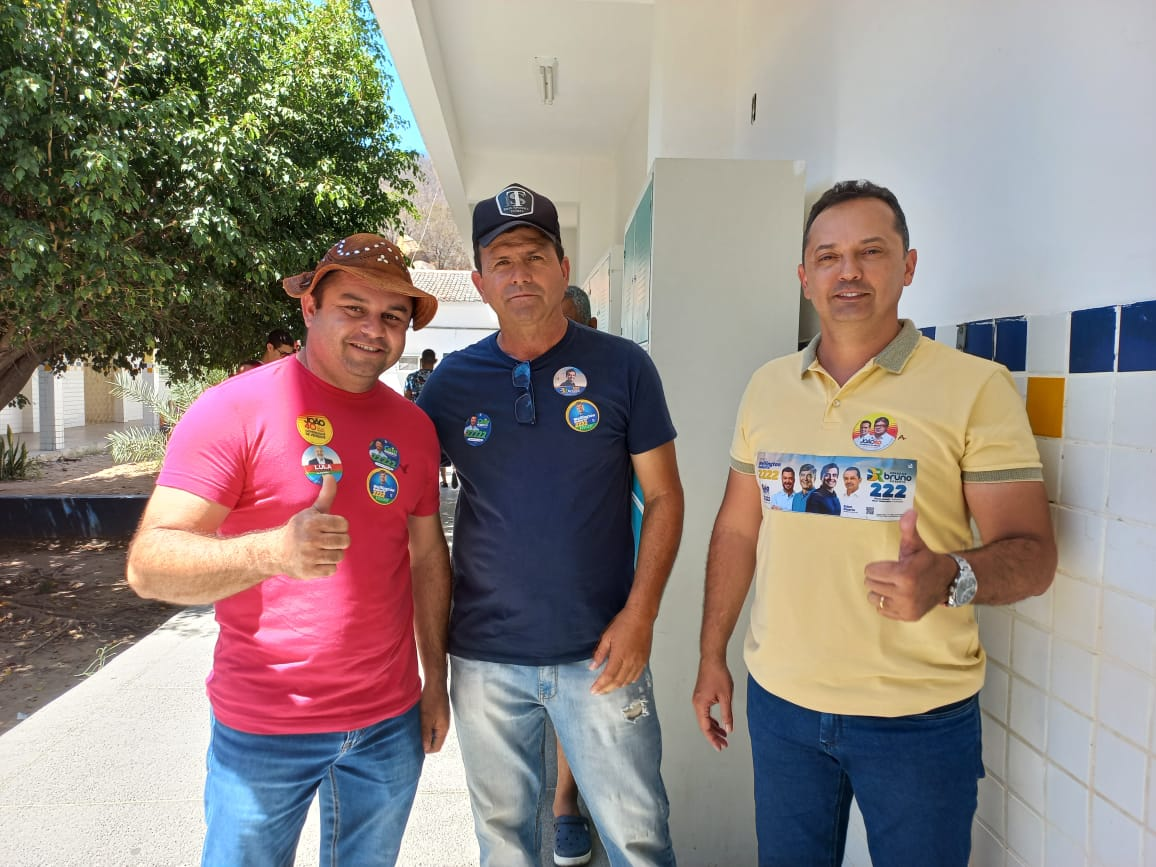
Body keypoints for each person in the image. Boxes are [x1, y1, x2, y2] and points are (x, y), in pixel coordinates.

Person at [691, 180, 1056, 866]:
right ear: (804, 277)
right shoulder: (767, 387)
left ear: (908, 266)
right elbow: (738, 528)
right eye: (828, 257)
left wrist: (951, 575)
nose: (849, 271)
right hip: (784, 708)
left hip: (918, 720)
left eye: (871, 251)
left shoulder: (975, 387)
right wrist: (712, 654)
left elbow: (1034, 554)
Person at [126, 234, 452, 867]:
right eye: (353, 308)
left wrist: (434, 680)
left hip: (388, 725)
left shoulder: (413, 427)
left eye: (392, 316)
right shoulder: (234, 408)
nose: (373, 329)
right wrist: (273, 552)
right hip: (265, 728)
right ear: (309, 307)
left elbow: (427, 557)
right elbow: (149, 565)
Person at [418, 182, 683, 867]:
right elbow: (409, 519)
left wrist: (642, 616)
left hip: (602, 653)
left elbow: (664, 497)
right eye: (501, 262)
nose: (520, 274)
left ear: (564, 268)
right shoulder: (450, 384)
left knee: (639, 841)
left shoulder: (624, 368)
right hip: (483, 659)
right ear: (479, 281)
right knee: (505, 844)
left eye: (535, 256)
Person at [407, 349, 457, 489]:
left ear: (421, 361)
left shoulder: (412, 377)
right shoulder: (441, 377)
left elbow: (406, 399)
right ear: (435, 361)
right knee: (440, 451)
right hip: (439, 420)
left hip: (418, 421)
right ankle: (446, 478)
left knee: (421, 452)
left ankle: (423, 480)